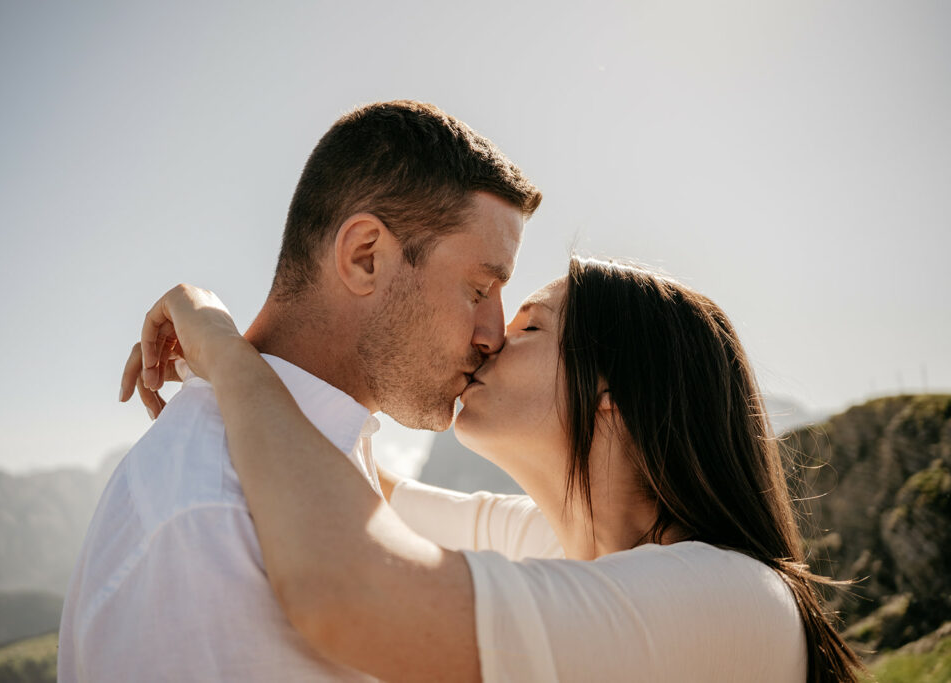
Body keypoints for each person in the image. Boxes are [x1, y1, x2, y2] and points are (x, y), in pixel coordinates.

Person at [122, 258, 865, 682]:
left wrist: (223, 348)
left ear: (610, 393)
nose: (485, 341)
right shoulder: (559, 542)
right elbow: (368, 492)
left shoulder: (729, 596)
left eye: (528, 328)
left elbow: (344, 588)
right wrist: (229, 353)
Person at [57, 100, 542, 681]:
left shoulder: (320, 466)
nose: (495, 335)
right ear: (365, 257)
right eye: (480, 289)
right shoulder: (212, 520)